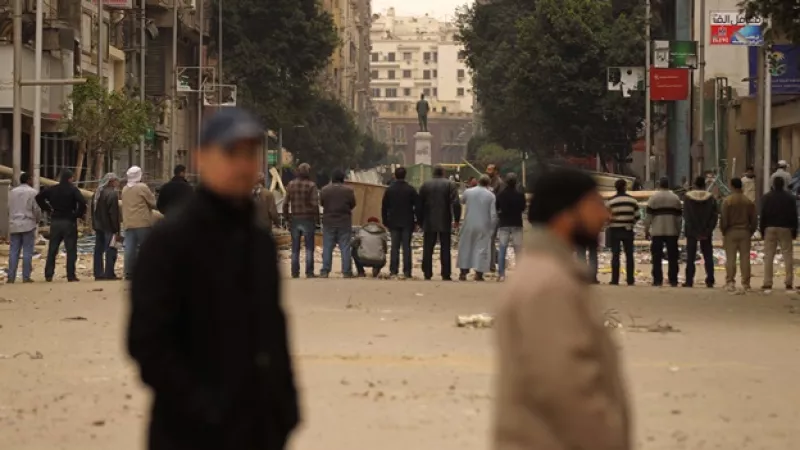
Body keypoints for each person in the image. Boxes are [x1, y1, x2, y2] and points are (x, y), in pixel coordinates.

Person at [127, 107, 299, 450]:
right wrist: (204, 407)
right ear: (202, 158)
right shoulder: (170, 241)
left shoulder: (258, 242)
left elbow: (272, 327)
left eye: (250, 154)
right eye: (231, 152)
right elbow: (147, 343)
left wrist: (286, 409)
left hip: (257, 429)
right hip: (187, 431)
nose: (242, 164)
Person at [494, 169, 629, 450]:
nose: (606, 216)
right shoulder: (549, 286)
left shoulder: (549, 274)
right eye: (595, 205)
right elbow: (563, 386)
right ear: (566, 214)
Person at [36, 169, 87, 282]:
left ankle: (49, 274)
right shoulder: (73, 190)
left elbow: (39, 197)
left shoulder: (53, 189)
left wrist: (48, 209)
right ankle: (71, 275)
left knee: (53, 249)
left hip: (56, 221)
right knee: (71, 249)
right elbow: (83, 202)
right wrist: (77, 214)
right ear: (70, 178)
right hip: (69, 221)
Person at [419, 165, 461, 281]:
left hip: (429, 220)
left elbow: (419, 204)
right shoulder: (450, 184)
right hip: (444, 219)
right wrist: (456, 219)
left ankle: (427, 273)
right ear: (443, 173)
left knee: (428, 247)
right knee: (445, 247)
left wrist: (419, 220)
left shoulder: (425, 185)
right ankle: (445, 273)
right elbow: (456, 203)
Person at [760, 176, 797, 292]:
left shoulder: (767, 197)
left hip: (770, 228)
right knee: (787, 255)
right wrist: (795, 230)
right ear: (783, 185)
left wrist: (762, 230)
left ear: (773, 185)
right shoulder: (790, 198)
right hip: (786, 228)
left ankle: (767, 282)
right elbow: (794, 215)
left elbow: (763, 215)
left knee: (769, 256)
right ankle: (789, 281)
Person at [457, 175, 497, 281]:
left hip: (469, 223)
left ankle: (463, 272)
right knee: (481, 249)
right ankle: (479, 274)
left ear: (478, 182)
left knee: (466, 247)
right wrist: (492, 228)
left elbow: (462, 201)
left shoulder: (468, 192)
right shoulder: (491, 195)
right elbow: (493, 214)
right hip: (484, 225)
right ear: (488, 184)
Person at [644, 177, 682, 287]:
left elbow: (648, 217)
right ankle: (673, 280)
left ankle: (657, 280)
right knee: (673, 257)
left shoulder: (653, 198)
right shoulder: (675, 198)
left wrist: (646, 231)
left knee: (656, 257)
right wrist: (678, 231)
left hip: (657, 231)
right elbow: (679, 218)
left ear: (659, 185)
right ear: (668, 185)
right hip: (672, 231)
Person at [720, 178, 757, 291]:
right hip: (745, 232)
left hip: (731, 232)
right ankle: (746, 283)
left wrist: (724, 231)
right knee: (745, 258)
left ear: (731, 186)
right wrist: (750, 231)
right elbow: (754, 220)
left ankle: (730, 281)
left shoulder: (728, 201)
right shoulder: (748, 201)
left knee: (730, 258)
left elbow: (724, 219)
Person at [283, 163, 319, 278]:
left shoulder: (291, 185)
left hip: (295, 218)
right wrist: (317, 219)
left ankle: (295, 272)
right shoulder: (312, 185)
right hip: (308, 219)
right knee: (309, 247)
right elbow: (315, 205)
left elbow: (285, 204)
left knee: (295, 247)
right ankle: (309, 272)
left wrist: (287, 217)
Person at [381, 167, 419, 278]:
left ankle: (393, 270)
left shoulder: (389, 190)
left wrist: (385, 221)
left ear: (395, 176)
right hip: (407, 221)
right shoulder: (410, 189)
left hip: (393, 221)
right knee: (406, 247)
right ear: (405, 175)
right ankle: (407, 271)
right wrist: (417, 221)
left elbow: (384, 207)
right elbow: (417, 206)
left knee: (394, 247)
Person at [319, 169, 357, 278]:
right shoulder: (348, 190)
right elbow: (353, 204)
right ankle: (346, 271)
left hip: (329, 221)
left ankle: (325, 271)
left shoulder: (325, 190)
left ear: (332, 178)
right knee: (345, 247)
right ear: (343, 179)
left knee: (327, 247)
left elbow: (321, 203)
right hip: (344, 222)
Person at [121, 166, 157, 280]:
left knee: (129, 249)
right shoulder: (142, 187)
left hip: (128, 223)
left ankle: (128, 273)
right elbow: (153, 203)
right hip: (143, 223)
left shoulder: (124, 189)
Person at [682, 176, 718, 288]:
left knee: (691, 257)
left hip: (691, 231)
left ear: (695, 185)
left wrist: (692, 230)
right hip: (706, 232)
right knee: (708, 256)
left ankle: (689, 280)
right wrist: (708, 230)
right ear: (704, 185)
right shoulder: (711, 198)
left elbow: (686, 216)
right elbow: (714, 216)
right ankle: (710, 279)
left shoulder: (688, 198)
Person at [7, 172, 41, 283]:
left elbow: (9, 207)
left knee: (13, 251)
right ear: (28, 180)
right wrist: (37, 220)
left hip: (14, 224)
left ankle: (11, 277)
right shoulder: (32, 192)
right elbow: (36, 209)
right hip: (28, 223)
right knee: (27, 251)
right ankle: (26, 277)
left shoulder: (12, 192)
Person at [606, 178, 639, 286]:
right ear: (625, 187)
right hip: (628, 230)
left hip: (614, 230)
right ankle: (630, 279)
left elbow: (607, 217)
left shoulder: (610, 201)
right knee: (629, 255)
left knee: (615, 254)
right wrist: (631, 222)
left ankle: (615, 280)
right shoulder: (632, 201)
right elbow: (637, 216)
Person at [494, 173, 526, 282]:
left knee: (502, 249)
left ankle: (501, 274)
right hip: (517, 223)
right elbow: (523, 208)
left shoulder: (501, 195)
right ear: (516, 182)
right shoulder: (520, 195)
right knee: (518, 249)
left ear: (506, 182)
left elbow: (496, 207)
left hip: (504, 223)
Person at [92, 172, 121, 281]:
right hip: (109, 227)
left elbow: (93, 211)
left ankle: (98, 273)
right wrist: (116, 229)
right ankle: (109, 273)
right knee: (111, 249)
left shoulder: (97, 193)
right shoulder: (112, 194)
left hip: (98, 226)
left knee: (98, 250)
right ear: (111, 181)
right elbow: (113, 213)